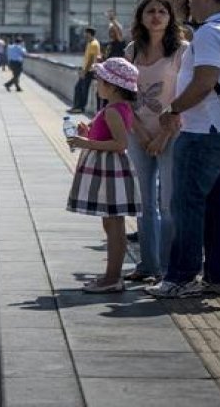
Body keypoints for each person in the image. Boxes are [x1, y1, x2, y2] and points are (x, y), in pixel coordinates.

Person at [146, 0, 220, 299]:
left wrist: (173, 110)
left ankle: (182, 276)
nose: (188, 2)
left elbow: (205, 81)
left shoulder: (209, 34)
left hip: (205, 130)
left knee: (187, 204)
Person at [122, 0, 188, 283]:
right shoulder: (131, 50)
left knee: (168, 202)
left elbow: (185, 99)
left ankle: (166, 267)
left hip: (173, 132)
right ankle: (148, 266)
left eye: (163, 11)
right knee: (143, 202)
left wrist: (161, 135)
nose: (156, 16)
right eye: (150, 11)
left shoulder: (182, 51)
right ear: (141, 17)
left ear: (171, 17)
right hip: (137, 132)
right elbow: (124, 96)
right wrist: (139, 130)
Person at [65, 58, 140, 293]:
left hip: (109, 169)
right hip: (109, 168)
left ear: (114, 86)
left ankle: (113, 278)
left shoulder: (113, 111)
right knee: (111, 223)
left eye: (100, 80)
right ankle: (111, 275)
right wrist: (88, 132)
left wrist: (84, 142)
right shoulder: (118, 109)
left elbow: (120, 143)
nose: (97, 83)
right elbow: (111, 137)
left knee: (114, 224)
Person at [67, 28, 101, 114]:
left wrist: (84, 72)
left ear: (90, 34)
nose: (84, 35)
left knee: (83, 89)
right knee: (79, 88)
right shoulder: (89, 43)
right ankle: (77, 106)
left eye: (86, 34)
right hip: (86, 70)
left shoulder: (94, 44)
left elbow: (90, 60)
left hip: (90, 71)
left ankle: (80, 107)